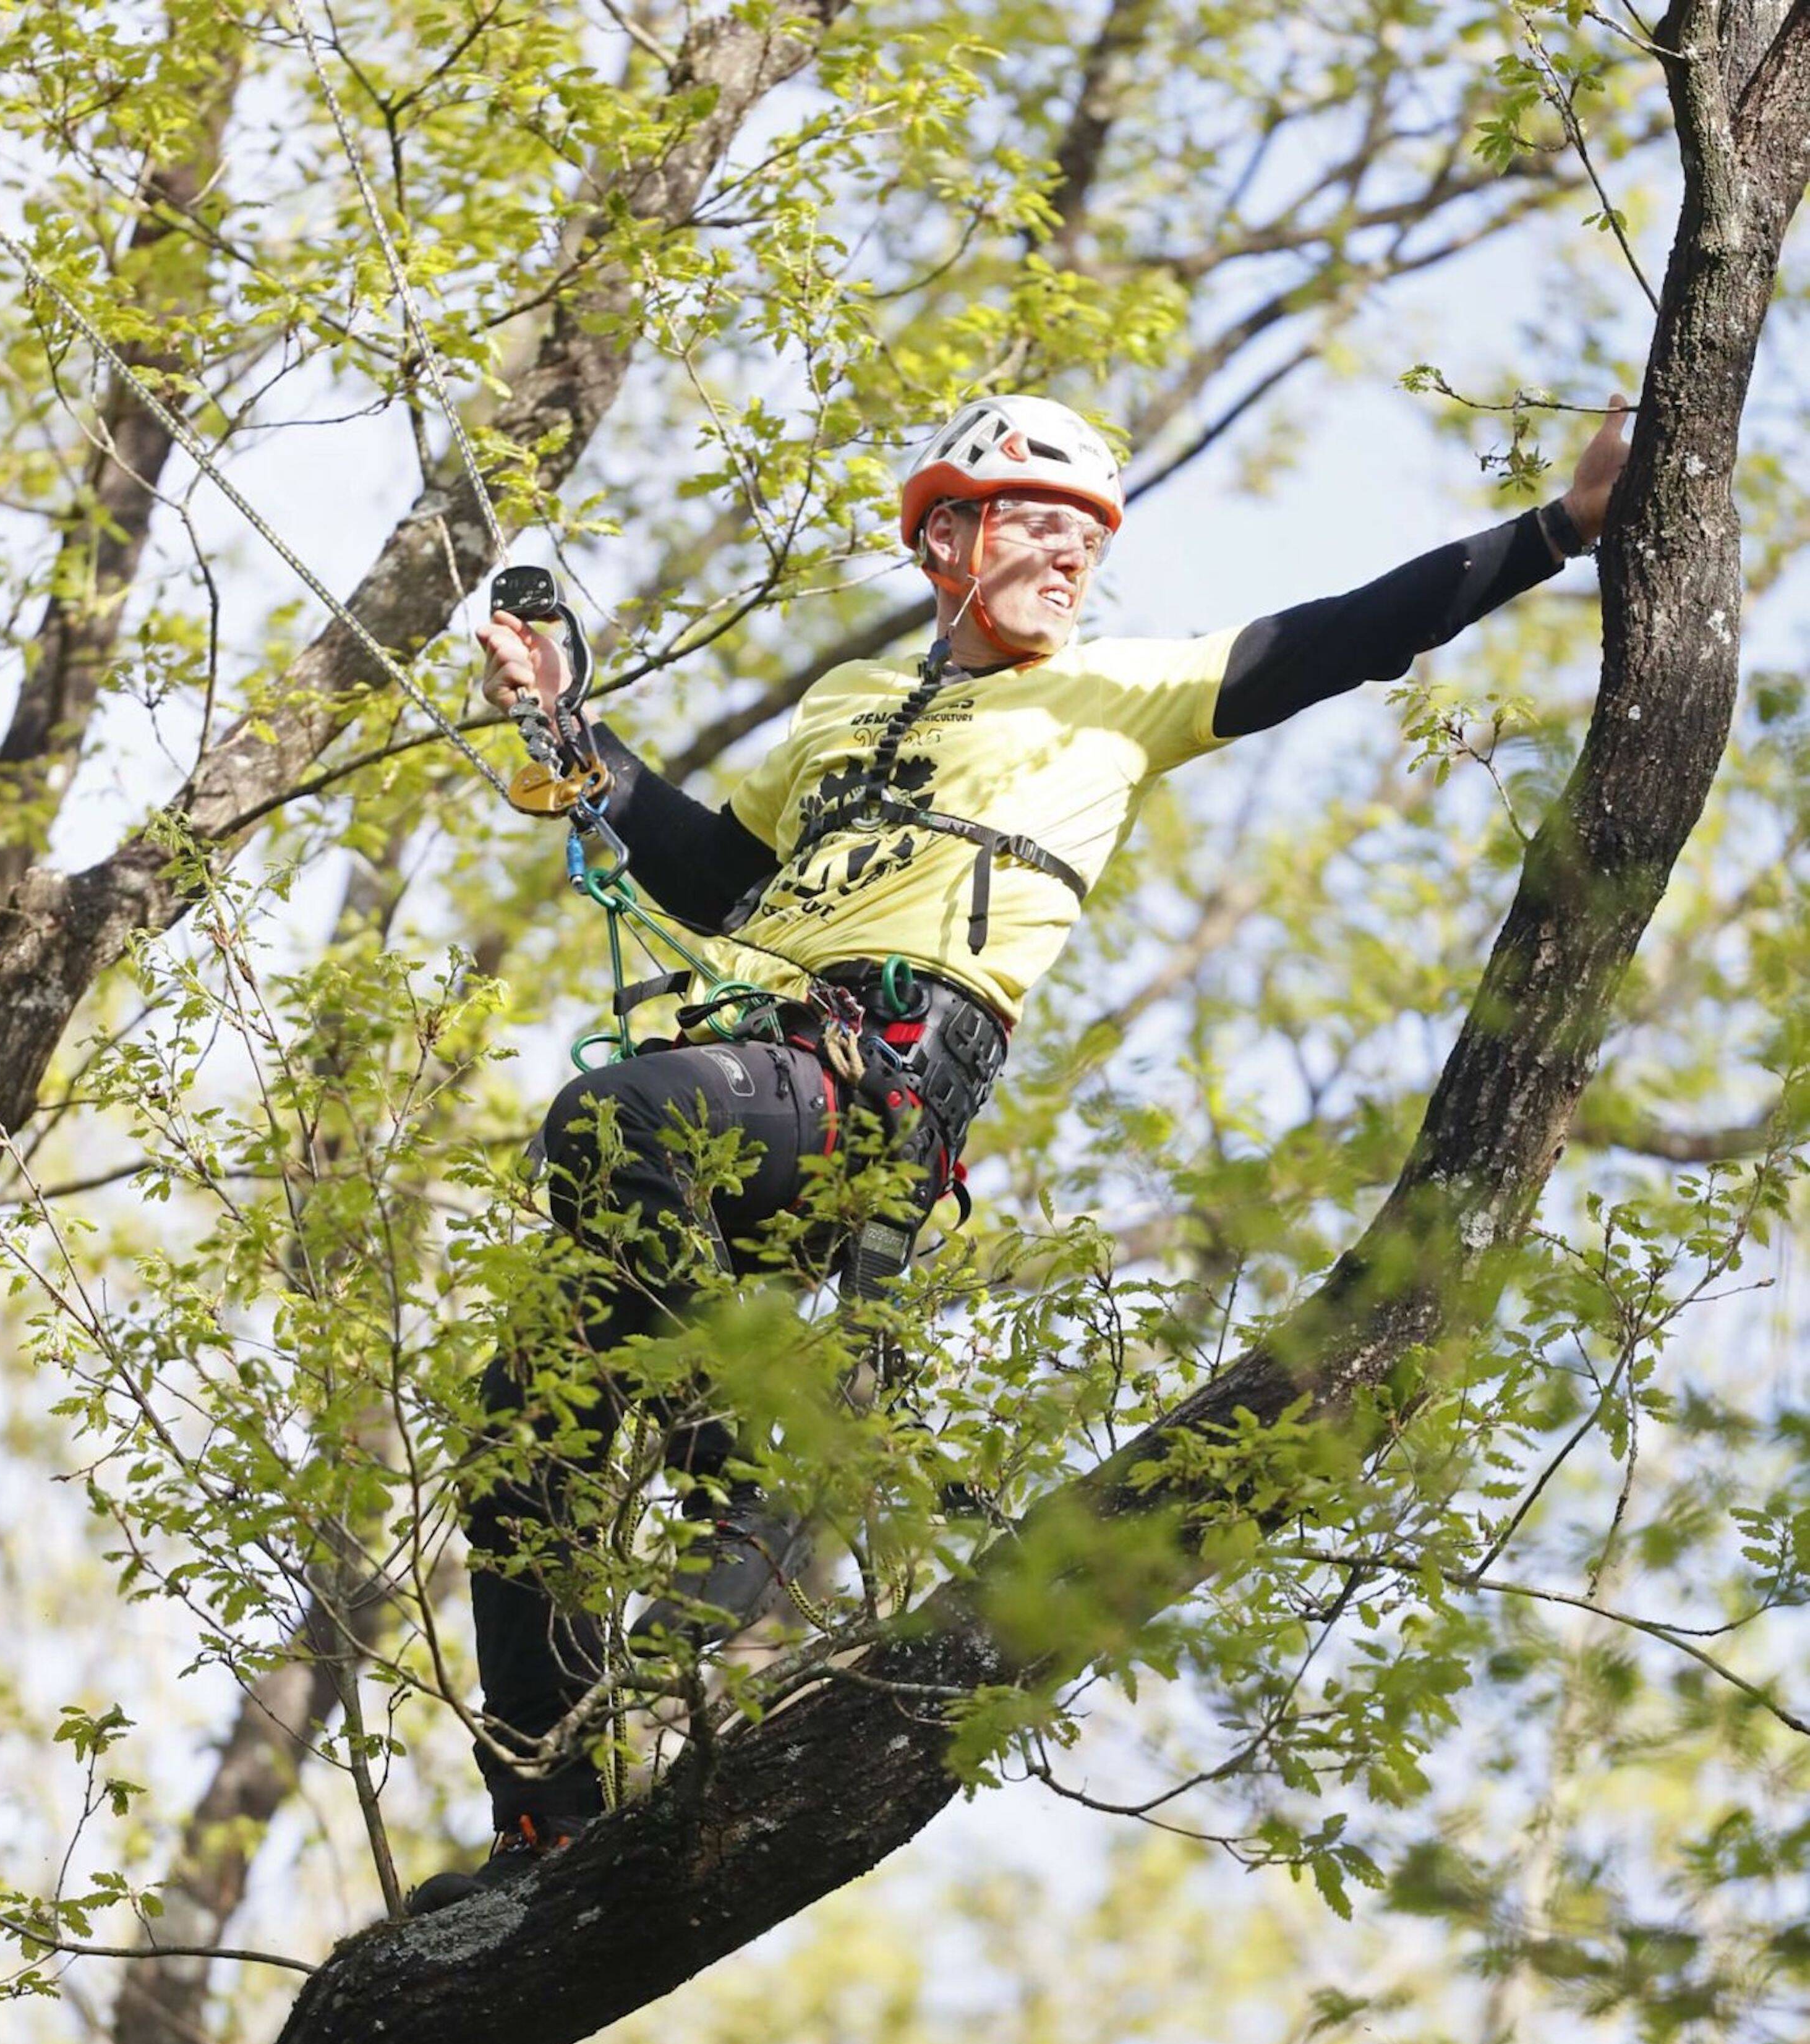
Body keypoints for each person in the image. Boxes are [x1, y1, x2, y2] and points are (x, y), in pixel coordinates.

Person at [409, 390, 1631, 1910]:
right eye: (1039, 528)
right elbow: (721, 881)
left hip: (865, 1086)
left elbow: (1340, 632)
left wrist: (1557, 531)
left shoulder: (1123, 692)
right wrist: (569, 734)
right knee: (517, 1421)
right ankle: (549, 1823)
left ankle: (756, 1466)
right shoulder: (847, 702)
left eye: (1086, 540)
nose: (1071, 561)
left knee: (609, 1115)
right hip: (739, 1079)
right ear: (944, 539)